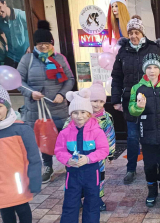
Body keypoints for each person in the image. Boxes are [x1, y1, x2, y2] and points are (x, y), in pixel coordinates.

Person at [111, 15, 160, 184]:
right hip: (130, 101)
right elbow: (116, 77)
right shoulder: (123, 52)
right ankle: (131, 169)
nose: (133, 36)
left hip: (153, 100)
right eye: (131, 33)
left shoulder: (153, 49)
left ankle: (159, 165)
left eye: (136, 32)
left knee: (154, 134)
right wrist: (115, 99)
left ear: (142, 32)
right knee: (132, 136)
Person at [17, 20, 75, 184]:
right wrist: (30, 93)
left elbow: (70, 79)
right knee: (44, 138)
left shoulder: (60, 58)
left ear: (52, 44)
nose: (43, 47)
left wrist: (62, 94)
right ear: (35, 44)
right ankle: (48, 167)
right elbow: (18, 81)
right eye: (39, 44)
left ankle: (69, 164)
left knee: (64, 137)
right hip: (37, 109)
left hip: (58, 108)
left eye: (46, 44)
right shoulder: (27, 59)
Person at [128, 53, 160, 207]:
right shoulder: (137, 88)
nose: (152, 70)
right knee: (149, 165)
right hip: (147, 135)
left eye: (155, 67)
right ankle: (152, 190)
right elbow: (132, 110)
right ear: (145, 69)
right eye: (149, 67)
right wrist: (138, 107)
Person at [54, 89, 109, 223]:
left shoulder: (97, 131)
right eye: (75, 113)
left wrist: (89, 158)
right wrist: (68, 159)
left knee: (92, 203)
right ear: (70, 114)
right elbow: (59, 150)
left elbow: (103, 149)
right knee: (70, 203)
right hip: (72, 173)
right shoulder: (65, 133)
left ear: (89, 114)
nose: (79, 116)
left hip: (91, 172)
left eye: (83, 112)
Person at [63, 81, 116, 212]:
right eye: (94, 101)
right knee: (75, 178)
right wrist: (66, 154)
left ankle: (96, 199)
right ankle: (77, 198)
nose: (98, 105)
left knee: (98, 178)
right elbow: (64, 135)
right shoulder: (77, 116)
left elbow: (110, 135)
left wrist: (110, 153)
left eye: (101, 101)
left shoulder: (106, 118)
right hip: (75, 155)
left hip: (97, 156)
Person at [0, 85, 42, 223]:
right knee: (5, 212)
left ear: (7, 106)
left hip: (18, 183)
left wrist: (35, 180)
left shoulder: (21, 129)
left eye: (0, 106)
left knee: (22, 210)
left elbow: (34, 157)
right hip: (1, 185)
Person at [0, 1, 29, 68]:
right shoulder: (0, 21)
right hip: (11, 55)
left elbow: (37, 30)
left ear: (4, 2)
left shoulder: (22, 15)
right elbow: (1, 33)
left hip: (26, 55)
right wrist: (5, 45)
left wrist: (31, 46)